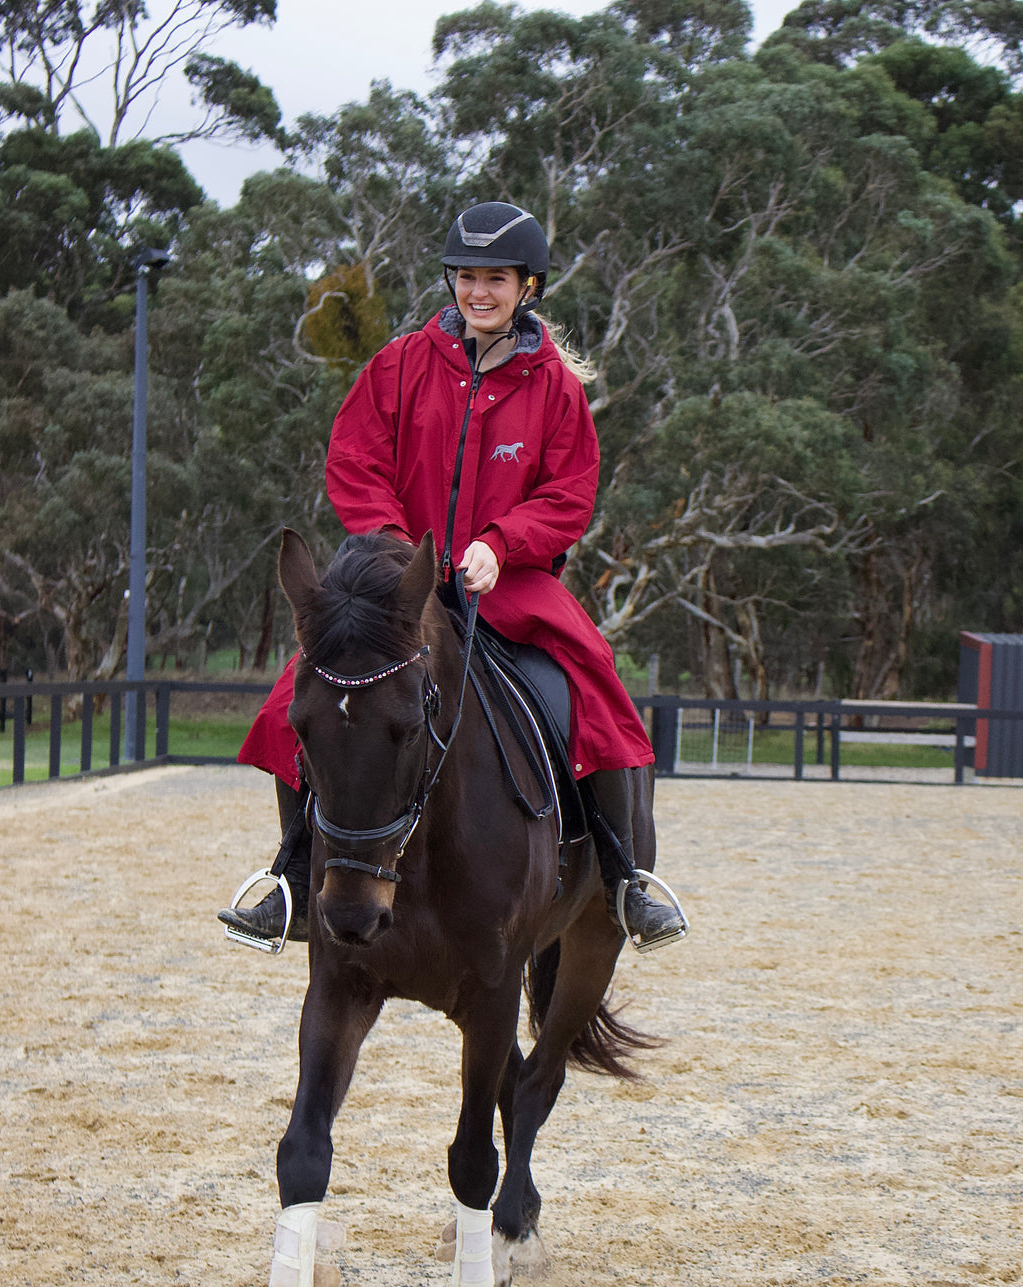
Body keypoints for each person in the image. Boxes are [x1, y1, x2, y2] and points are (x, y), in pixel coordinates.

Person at [219, 201, 685, 950]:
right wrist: (398, 549)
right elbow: (355, 461)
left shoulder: (555, 388)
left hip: (507, 579)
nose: (479, 292)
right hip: (399, 580)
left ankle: (625, 876)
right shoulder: (399, 365)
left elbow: (568, 494)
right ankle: (293, 878)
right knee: (296, 696)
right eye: (467, 277)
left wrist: (503, 543)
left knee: (596, 682)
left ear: (527, 287)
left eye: (495, 279)